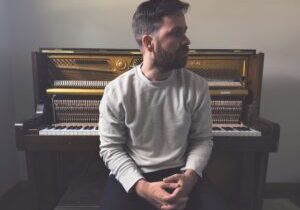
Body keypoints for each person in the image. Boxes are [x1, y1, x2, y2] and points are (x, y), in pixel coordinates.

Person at [99, 0, 230, 209]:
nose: (187, 40)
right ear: (149, 43)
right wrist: (143, 188)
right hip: (135, 175)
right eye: (176, 33)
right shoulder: (116, 91)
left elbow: (202, 139)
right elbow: (111, 149)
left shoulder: (197, 86)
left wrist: (189, 179)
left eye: (185, 32)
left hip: (182, 173)